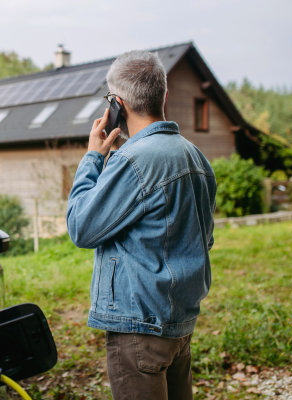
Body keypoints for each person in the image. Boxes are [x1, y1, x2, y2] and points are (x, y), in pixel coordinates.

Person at [66, 50, 216, 400]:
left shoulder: (133, 160)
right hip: (179, 327)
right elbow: (203, 241)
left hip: (139, 327)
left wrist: (93, 158)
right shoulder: (198, 158)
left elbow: (80, 227)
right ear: (164, 96)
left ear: (117, 103)